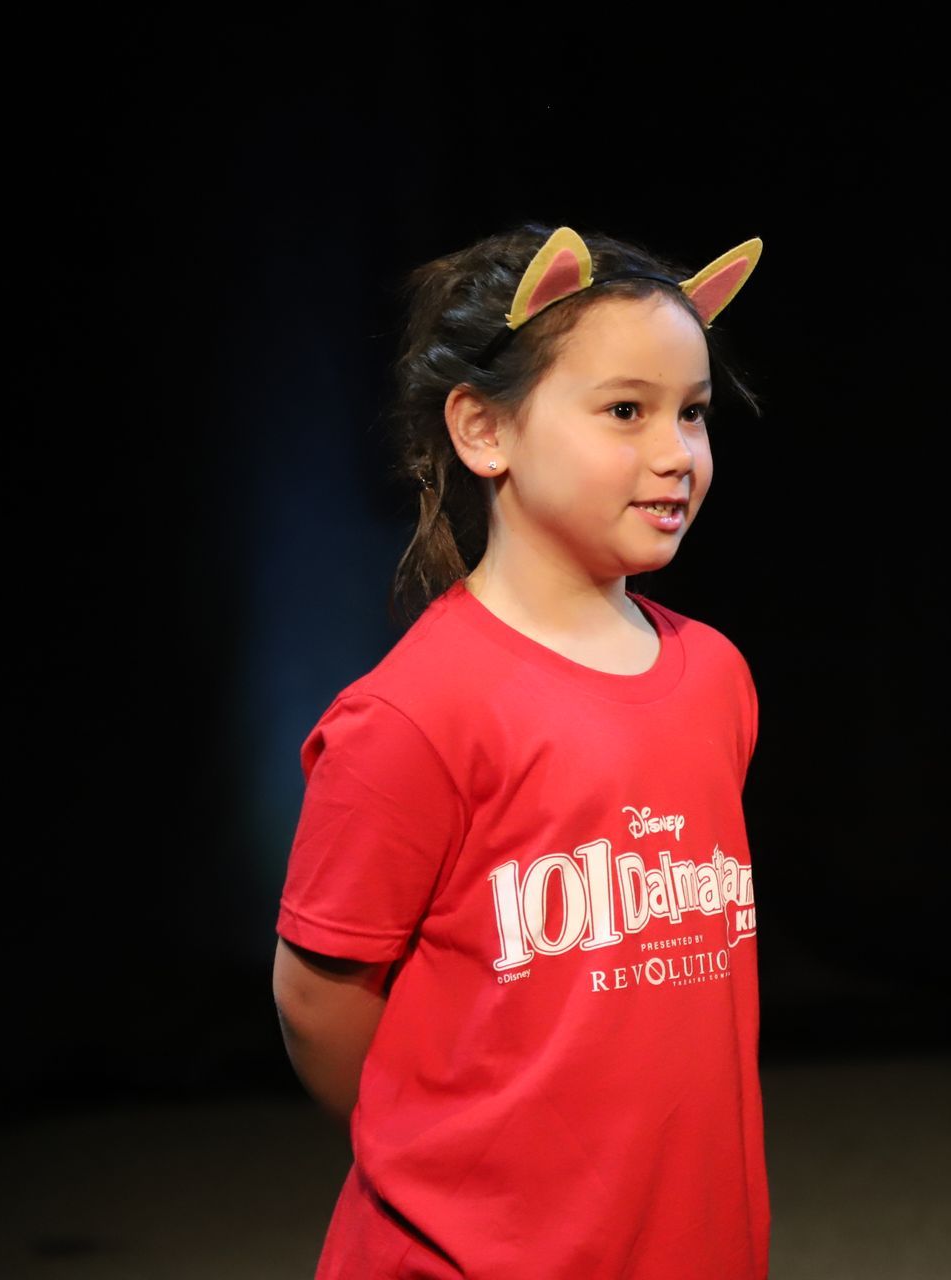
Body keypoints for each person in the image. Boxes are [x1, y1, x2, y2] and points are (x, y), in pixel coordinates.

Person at [270, 225, 769, 1279]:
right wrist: (454, 1147)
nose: (676, 451)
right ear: (484, 429)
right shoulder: (415, 713)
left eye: (693, 413)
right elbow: (321, 1004)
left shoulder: (717, 674)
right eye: (626, 411)